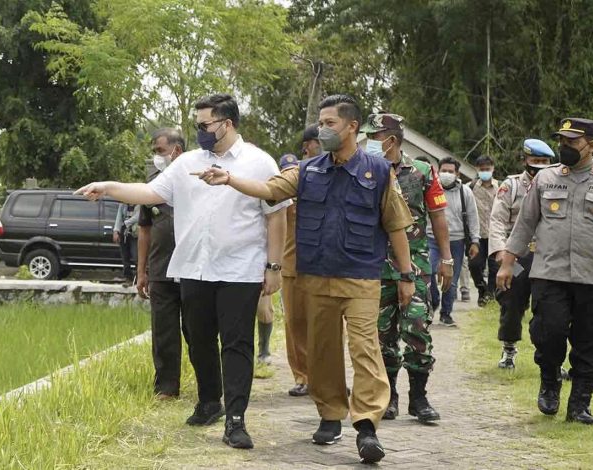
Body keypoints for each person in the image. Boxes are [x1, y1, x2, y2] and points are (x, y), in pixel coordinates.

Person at [192, 95, 415, 464]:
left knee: (365, 349)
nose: (323, 129)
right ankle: (330, 416)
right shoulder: (307, 171)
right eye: (321, 122)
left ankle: (367, 426)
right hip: (316, 278)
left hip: (361, 278)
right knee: (322, 353)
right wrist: (230, 178)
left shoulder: (377, 172)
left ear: (351, 127)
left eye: (330, 123)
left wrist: (406, 275)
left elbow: (396, 227)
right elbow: (268, 190)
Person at [77, 93, 290, 449]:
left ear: (227, 123)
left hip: (240, 269)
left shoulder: (259, 162)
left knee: (236, 344)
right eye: (197, 124)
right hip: (194, 266)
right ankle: (210, 402)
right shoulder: (187, 162)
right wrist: (109, 188)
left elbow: (277, 214)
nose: (200, 130)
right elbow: (148, 191)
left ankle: (236, 420)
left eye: (205, 124)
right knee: (199, 338)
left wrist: (274, 266)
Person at [498, 117, 593, 425]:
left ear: (590, 146)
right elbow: (525, 224)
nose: (564, 147)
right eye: (562, 141)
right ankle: (550, 380)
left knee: (591, 341)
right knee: (547, 332)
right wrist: (507, 263)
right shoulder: (546, 179)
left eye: (572, 142)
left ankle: (580, 404)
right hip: (549, 273)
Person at [362, 113, 453, 423]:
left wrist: (447, 258)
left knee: (416, 328)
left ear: (392, 139)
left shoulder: (422, 171)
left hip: (415, 265)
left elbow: (438, 215)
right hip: (374, 265)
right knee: (382, 334)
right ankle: (389, 397)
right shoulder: (363, 169)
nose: (369, 143)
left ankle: (419, 397)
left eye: (374, 137)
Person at [488, 139, 555, 369]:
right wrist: (500, 253)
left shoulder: (556, 184)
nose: (540, 165)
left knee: (549, 306)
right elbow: (497, 220)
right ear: (525, 160)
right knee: (512, 301)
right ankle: (508, 351)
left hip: (546, 255)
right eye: (536, 161)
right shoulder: (512, 185)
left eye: (545, 161)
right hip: (515, 256)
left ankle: (550, 356)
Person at [136, 128, 188, 399]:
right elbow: (144, 229)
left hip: (193, 269)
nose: (156, 157)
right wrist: (141, 271)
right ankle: (167, 386)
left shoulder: (198, 179)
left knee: (198, 330)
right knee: (163, 330)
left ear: (176, 151)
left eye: (159, 151)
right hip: (160, 269)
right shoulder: (152, 186)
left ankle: (210, 385)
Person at [428, 157, 480, 325]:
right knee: (428, 274)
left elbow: (473, 217)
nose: (447, 174)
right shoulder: (430, 188)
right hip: (431, 239)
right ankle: (432, 304)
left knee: (451, 280)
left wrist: (475, 241)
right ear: (437, 171)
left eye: (451, 171)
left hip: (457, 241)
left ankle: (446, 313)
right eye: (444, 170)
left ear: (457, 173)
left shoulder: (465, 193)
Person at [278, 151, 310, 397]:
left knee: (326, 326)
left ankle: (327, 376)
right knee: (295, 324)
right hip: (290, 267)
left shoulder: (313, 193)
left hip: (320, 267)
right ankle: (302, 377)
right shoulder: (280, 201)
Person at [468, 155, 500, 307]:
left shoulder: (501, 187)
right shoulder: (471, 187)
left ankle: (491, 296)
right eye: (482, 170)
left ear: (493, 169)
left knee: (495, 267)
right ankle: (482, 289)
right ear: (477, 169)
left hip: (495, 235)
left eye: (487, 169)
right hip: (478, 235)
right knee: (474, 265)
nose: (485, 172)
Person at [114, 203, 139, 281]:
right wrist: (116, 231)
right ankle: (127, 276)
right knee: (125, 256)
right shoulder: (123, 204)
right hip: (124, 232)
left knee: (136, 256)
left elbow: (138, 216)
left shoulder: (140, 204)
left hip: (135, 233)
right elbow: (119, 217)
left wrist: (127, 222)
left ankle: (139, 276)